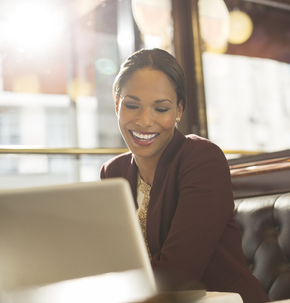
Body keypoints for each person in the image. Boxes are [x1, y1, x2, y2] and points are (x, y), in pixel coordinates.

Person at [100, 48, 270, 303]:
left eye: (161, 109)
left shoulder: (203, 160)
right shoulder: (112, 172)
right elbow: (109, 258)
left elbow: (177, 275)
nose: (144, 121)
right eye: (132, 105)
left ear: (178, 111)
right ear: (117, 105)